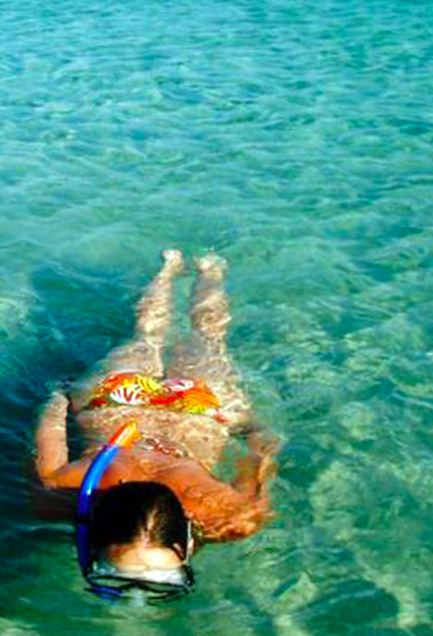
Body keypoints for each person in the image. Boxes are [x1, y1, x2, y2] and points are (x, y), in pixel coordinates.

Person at [34, 250, 279, 602]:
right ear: (182, 551)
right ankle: (196, 268)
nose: (137, 600)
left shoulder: (234, 515)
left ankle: (176, 268)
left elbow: (263, 447)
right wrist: (63, 395)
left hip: (197, 415)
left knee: (166, 337)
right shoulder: (57, 489)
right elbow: (262, 447)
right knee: (176, 337)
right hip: (117, 403)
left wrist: (247, 424)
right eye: (161, 579)